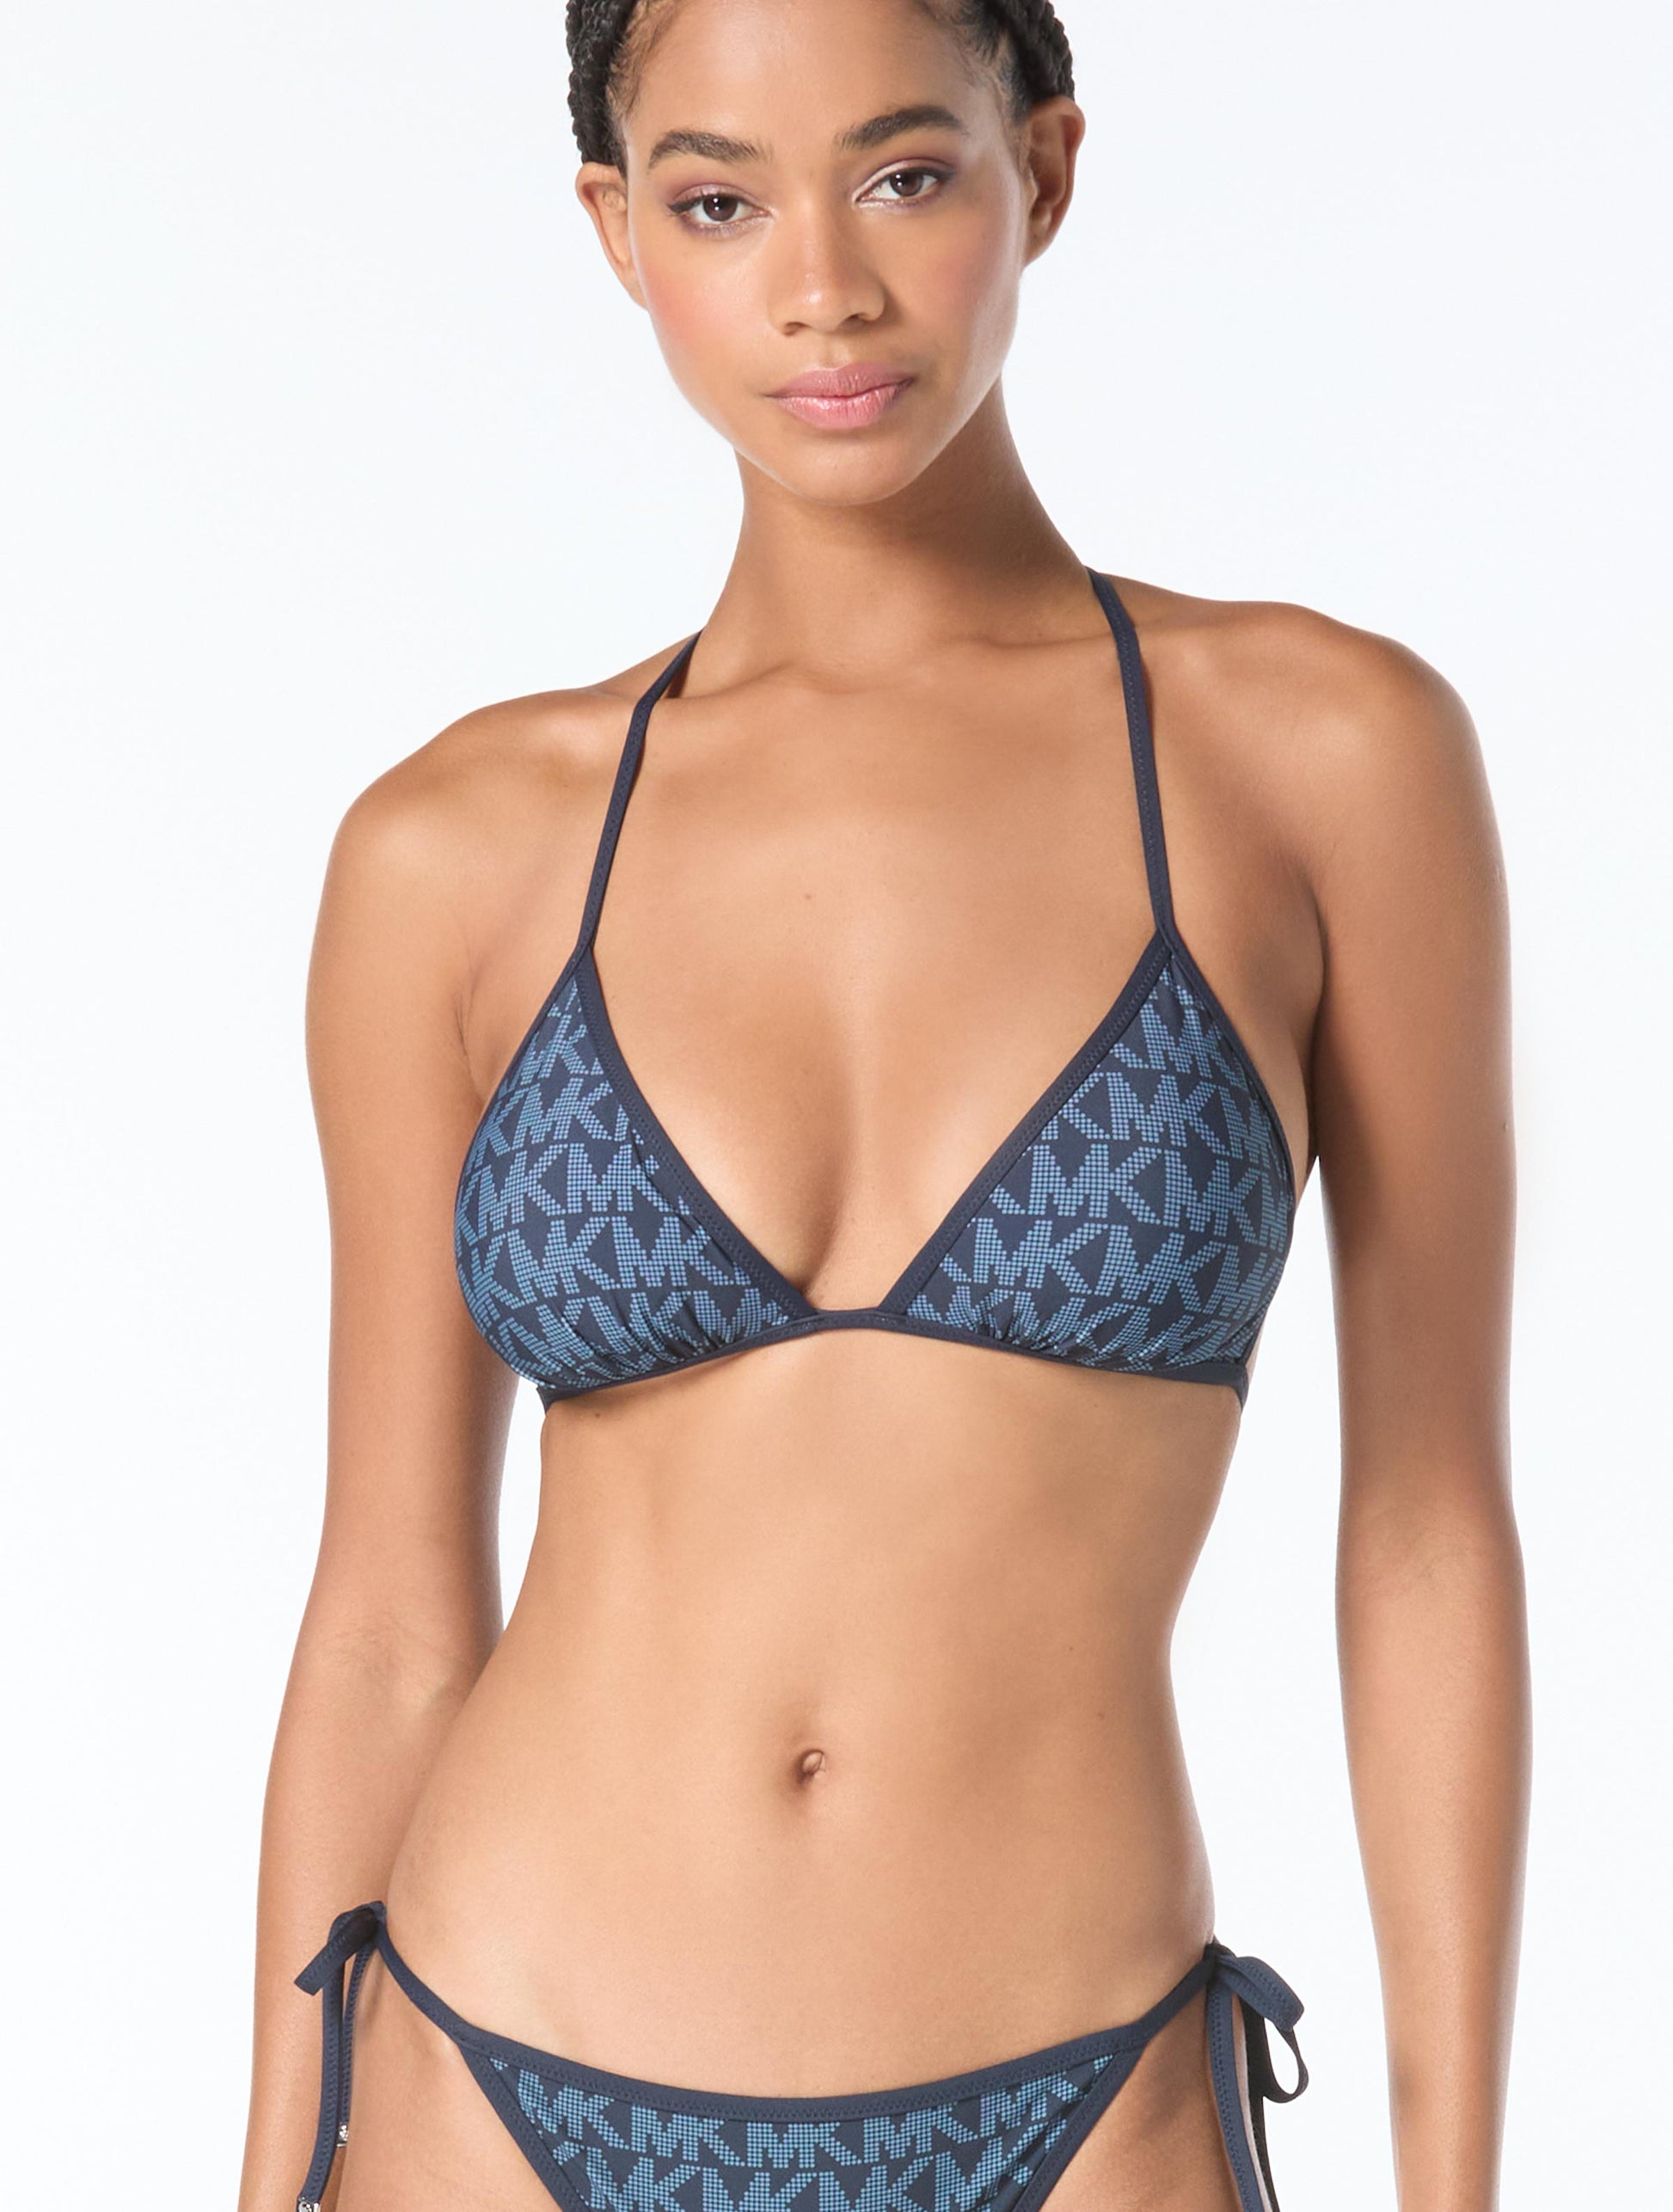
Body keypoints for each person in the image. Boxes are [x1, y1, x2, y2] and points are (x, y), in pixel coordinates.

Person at [238, 3, 1529, 2207]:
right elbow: (386, 1613)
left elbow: (1424, 1532)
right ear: (616, 231)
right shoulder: (454, 852)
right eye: (718, 201)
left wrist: (1454, 2179)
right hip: (485, 2079)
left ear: (1046, 171)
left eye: (905, 175)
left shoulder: (1319, 758)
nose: (821, 285)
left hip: (1080, 2094)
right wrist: (269, 2173)